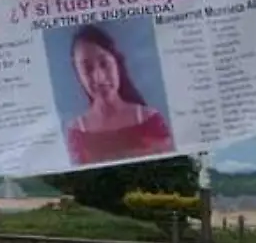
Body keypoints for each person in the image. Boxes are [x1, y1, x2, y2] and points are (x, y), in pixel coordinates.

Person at [63, 24, 175, 166]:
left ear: (117, 63)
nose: (99, 77)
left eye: (104, 64)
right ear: (78, 75)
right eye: (87, 68)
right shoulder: (76, 132)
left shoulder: (150, 119)